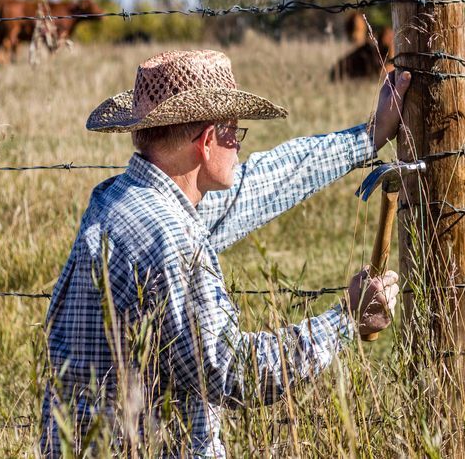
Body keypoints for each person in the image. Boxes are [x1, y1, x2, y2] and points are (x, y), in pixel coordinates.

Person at [39, 49, 411, 458]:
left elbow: (263, 183)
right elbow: (231, 371)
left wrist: (367, 137)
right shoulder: (170, 236)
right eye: (234, 132)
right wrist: (344, 320)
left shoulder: (122, 199)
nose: (238, 146)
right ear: (206, 141)